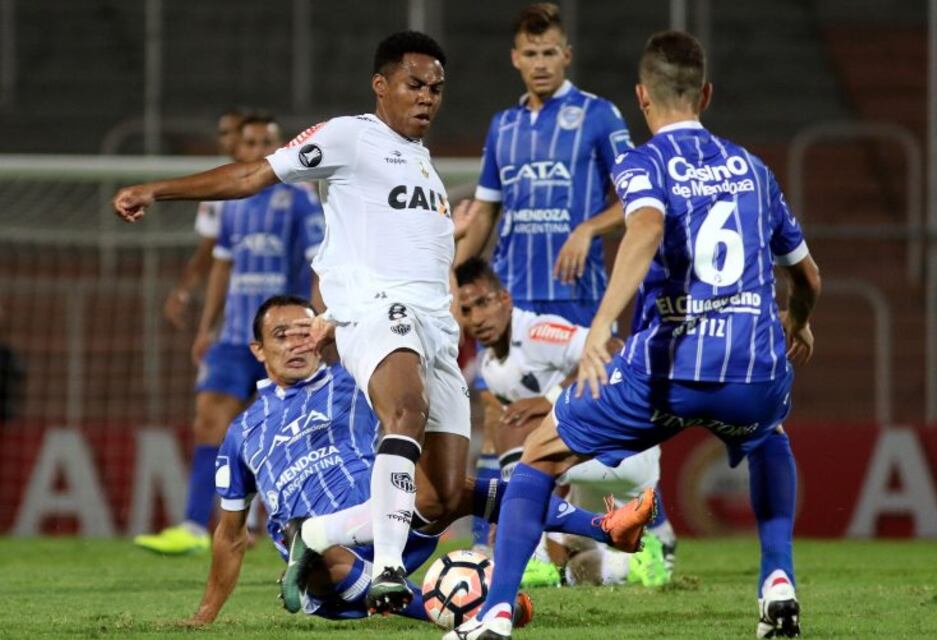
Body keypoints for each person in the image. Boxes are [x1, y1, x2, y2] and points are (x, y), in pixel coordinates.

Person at [447, 31, 821, 640]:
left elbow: (644, 227)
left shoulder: (643, 162)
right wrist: (799, 321)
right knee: (767, 435)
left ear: (643, 97)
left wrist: (600, 328)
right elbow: (806, 274)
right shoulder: (754, 169)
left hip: (665, 369)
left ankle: (494, 615)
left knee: (539, 455)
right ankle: (777, 579)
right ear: (705, 93)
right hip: (751, 367)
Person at [116, 31, 480, 614]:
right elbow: (250, 176)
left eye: (436, 88)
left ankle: (317, 534)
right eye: (415, 85)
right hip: (376, 311)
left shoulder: (423, 165)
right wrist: (158, 189)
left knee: (440, 497)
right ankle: (387, 570)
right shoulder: (349, 136)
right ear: (381, 85)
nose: (427, 98)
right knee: (403, 409)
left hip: (435, 327)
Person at [193, 296, 646, 626]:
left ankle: (603, 527)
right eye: (280, 336)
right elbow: (230, 536)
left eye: (303, 332)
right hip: (329, 566)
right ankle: (446, 610)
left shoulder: (352, 380)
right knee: (310, 547)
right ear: (258, 350)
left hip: (390, 519)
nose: (296, 344)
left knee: (454, 488)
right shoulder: (242, 433)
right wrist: (206, 615)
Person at [133, 114, 325, 555]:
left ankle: (268, 523)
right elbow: (222, 265)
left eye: (268, 141)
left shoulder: (299, 199)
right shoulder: (227, 204)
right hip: (235, 334)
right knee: (208, 420)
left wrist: (317, 322)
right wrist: (206, 327)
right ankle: (194, 526)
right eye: (251, 141)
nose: (259, 148)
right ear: (236, 151)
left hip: (282, 336)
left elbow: (318, 266)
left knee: (272, 429)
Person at [455, 256, 669, 589]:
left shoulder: (535, 332)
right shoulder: (489, 366)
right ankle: (641, 557)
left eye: (483, 302)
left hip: (622, 449)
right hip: (589, 470)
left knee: (511, 426)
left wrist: (551, 397)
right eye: (466, 310)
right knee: (579, 566)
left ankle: (533, 555)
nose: (477, 318)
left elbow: (614, 347)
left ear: (505, 300)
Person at [453, 3, 632, 327]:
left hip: (578, 295)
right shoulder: (503, 125)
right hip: (508, 297)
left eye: (549, 53)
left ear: (567, 55)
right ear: (515, 58)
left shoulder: (599, 116)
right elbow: (485, 212)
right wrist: (450, 279)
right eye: (531, 54)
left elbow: (637, 203)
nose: (540, 64)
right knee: (499, 380)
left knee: (587, 379)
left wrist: (587, 228)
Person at [163, 108, 247, 330]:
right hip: (233, 298)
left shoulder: (289, 186)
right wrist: (183, 290)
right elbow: (209, 247)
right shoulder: (216, 187)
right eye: (224, 133)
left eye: (236, 131)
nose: (230, 139)